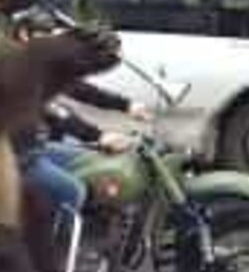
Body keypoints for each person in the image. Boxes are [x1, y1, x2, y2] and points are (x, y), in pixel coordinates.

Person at [8, 13, 152, 218]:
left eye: (52, 36)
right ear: (24, 34)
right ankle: (51, 248)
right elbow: (55, 112)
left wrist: (127, 105)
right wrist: (98, 136)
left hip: (33, 148)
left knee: (90, 161)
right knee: (73, 192)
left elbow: (78, 88)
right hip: (11, 157)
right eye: (43, 35)